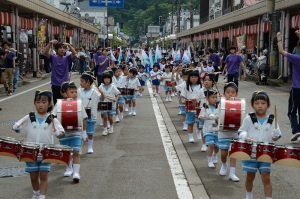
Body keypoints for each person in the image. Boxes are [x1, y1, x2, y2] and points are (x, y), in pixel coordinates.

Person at [12, 90, 64, 199]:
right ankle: (36, 192)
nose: (40, 105)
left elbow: (61, 133)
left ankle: (42, 196)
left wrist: (57, 133)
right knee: (34, 176)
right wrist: (15, 127)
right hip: (30, 152)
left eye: (43, 102)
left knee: (44, 175)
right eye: (37, 102)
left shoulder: (52, 119)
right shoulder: (30, 117)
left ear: (50, 103)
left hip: (46, 152)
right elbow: (18, 126)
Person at [238, 91, 281, 199]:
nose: (260, 106)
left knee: (266, 177)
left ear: (268, 105)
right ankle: (248, 195)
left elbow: (276, 137)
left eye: (263, 103)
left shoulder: (272, 120)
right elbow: (241, 131)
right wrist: (243, 134)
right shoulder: (248, 118)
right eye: (257, 103)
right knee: (250, 176)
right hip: (250, 153)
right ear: (252, 105)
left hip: (266, 154)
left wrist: (275, 135)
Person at [52, 81, 88, 182]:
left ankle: (76, 173)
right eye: (71, 92)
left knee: (76, 152)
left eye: (76, 92)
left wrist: (84, 132)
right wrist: (55, 129)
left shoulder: (79, 104)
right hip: (64, 134)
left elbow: (84, 118)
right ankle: (69, 167)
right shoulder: (58, 104)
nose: (75, 94)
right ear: (64, 93)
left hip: (76, 133)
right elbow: (53, 117)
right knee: (66, 153)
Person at [277, 30, 300, 141]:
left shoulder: (297, 58)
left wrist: (279, 38)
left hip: (296, 88)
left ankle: (296, 131)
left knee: (291, 111)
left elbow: (281, 51)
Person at [218, 82, 240, 181]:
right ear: (223, 94)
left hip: (235, 133)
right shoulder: (221, 104)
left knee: (233, 154)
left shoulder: (240, 104)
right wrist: (216, 118)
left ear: (237, 94)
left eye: (233, 92)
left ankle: (232, 173)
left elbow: (242, 117)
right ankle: (224, 164)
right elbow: (217, 115)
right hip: (223, 133)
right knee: (223, 153)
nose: (230, 94)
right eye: (228, 92)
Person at [44, 40, 76, 105]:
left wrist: (69, 45)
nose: (62, 50)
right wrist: (50, 43)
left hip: (65, 85)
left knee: (65, 103)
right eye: (60, 48)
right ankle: (57, 115)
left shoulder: (67, 58)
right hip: (55, 84)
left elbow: (74, 53)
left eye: (64, 48)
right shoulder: (53, 58)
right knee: (56, 103)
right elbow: (46, 52)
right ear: (56, 50)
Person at [78, 73, 101, 153]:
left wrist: (102, 93)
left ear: (88, 83)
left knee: (90, 133)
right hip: (81, 115)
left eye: (82, 81)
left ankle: (90, 147)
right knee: (80, 133)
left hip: (91, 115)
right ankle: (79, 148)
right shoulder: (79, 91)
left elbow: (101, 98)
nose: (80, 83)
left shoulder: (94, 92)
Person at [180, 69, 205, 143]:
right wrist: (182, 100)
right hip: (189, 107)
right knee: (190, 123)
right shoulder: (186, 87)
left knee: (198, 123)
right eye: (192, 77)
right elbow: (182, 96)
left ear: (198, 78)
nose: (194, 79)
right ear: (189, 78)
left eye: (195, 77)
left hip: (199, 107)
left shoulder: (201, 87)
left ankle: (198, 132)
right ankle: (190, 137)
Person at [199, 89, 219, 168]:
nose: (215, 99)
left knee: (217, 147)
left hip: (217, 130)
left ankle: (215, 154)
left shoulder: (219, 107)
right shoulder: (204, 108)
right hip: (208, 130)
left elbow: (222, 117)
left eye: (216, 97)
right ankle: (209, 161)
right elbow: (200, 118)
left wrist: (217, 118)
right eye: (212, 97)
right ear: (207, 98)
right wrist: (203, 117)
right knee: (210, 145)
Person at [99, 71, 120, 135]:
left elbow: (118, 93)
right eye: (105, 79)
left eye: (108, 79)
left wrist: (116, 99)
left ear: (110, 79)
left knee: (110, 118)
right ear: (103, 79)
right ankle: (105, 130)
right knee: (105, 117)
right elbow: (101, 98)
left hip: (112, 105)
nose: (107, 80)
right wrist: (102, 94)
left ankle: (111, 127)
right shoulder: (101, 87)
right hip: (104, 104)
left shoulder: (113, 86)